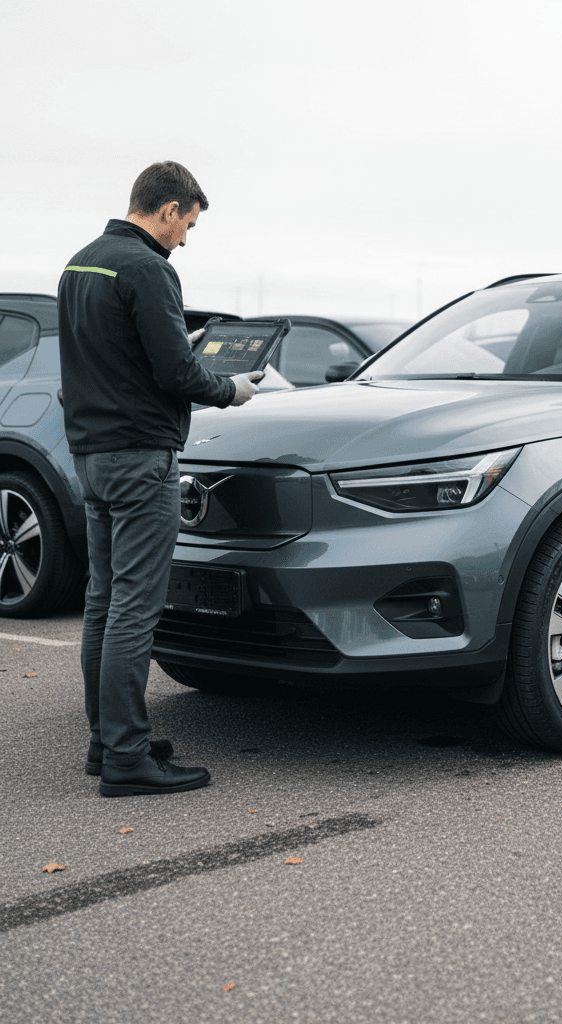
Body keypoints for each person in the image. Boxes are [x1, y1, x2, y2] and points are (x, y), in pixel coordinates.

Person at [57, 160, 263, 797]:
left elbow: (118, 353)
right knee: (134, 612)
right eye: (188, 224)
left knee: (102, 603)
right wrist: (231, 387)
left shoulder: (81, 263)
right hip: (142, 457)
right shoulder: (150, 268)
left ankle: (106, 741)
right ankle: (127, 757)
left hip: (92, 457)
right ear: (168, 208)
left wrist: (180, 337)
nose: (185, 238)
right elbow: (178, 376)